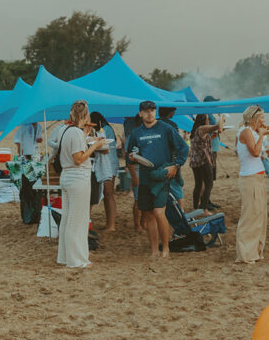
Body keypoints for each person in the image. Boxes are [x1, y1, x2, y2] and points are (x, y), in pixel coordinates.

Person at [126, 101, 189, 259]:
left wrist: (176, 166)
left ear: (155, 112)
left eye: (152, 111)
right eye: (146, 111)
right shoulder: (136, 133)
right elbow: (130, 155)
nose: (150, 114)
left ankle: (166, 248)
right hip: (145, 178)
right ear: (140, 113)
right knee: (148, 215)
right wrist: (132, 158)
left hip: (162, 176)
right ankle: (154, 250)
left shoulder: (165, 128)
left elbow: (184, 147)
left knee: (159, 212)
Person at [56, 101, 108, 268]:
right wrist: (96, 146)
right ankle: (77, 260)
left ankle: (65, 257)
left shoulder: (65, 130)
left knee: (67, 219)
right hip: (77, 178)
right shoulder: (76, 133)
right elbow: (78, 159)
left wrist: (88, 139)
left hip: (66, 177)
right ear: (85, 115)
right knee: (78, 220)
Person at [236, 105, 269, 264]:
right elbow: (255, 152)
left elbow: (261, 154)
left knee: (260, 216)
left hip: (258, 177)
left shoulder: (254, 133)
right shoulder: (245, 132)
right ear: (254, 119)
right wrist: (262, 136)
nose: (264, 121)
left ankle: (256, 252)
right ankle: (245, 254)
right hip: (249, 179)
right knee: (250, 217)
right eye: (262, 118)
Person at [88, 112, 120, 232]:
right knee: (107, 196)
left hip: (109, 165)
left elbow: (104, 148)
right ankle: (109, 224)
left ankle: (111, 225)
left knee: (108, 194)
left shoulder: (105, 129)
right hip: (108, 164)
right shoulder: (106, 128)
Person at [189, 113, 224, 213]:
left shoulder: (196, 129)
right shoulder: (202, 128)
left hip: (195, 161)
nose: (208, 121)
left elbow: (202, 141)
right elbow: (218, 126)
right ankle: (204, 208)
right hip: (203, 161)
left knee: (198, 184)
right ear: (203, 120)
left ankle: (195, 207)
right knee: (209, 183)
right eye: (208, 119)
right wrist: (221, 115)